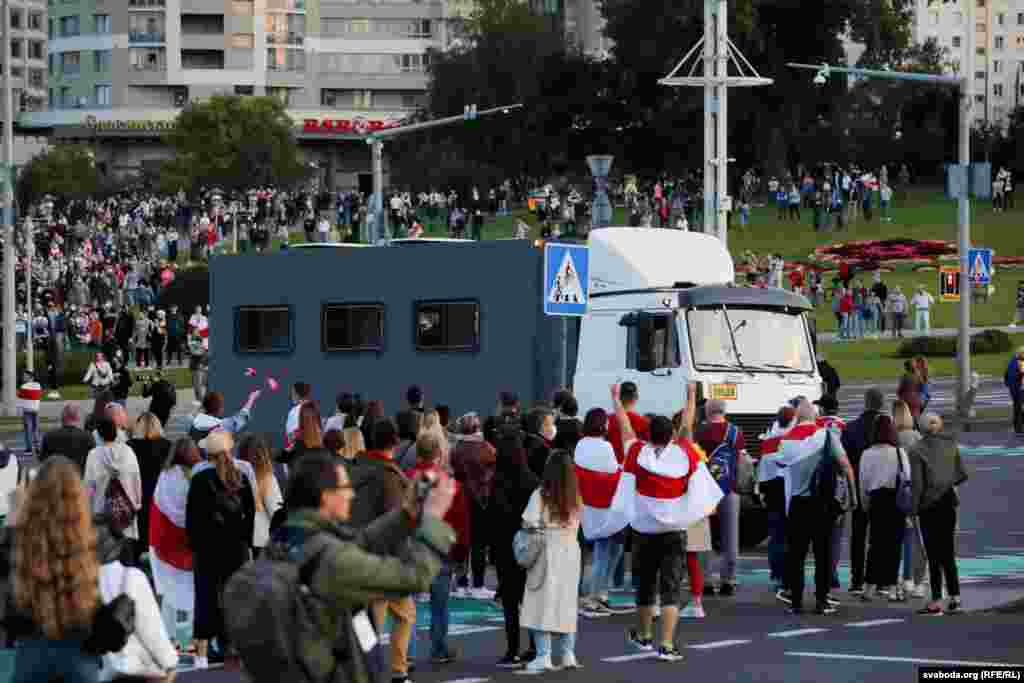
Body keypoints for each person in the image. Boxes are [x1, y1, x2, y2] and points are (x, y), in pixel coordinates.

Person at [261, 452, 456, 683]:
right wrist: (433, 518)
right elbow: (414, 576)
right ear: (326, 496)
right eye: (345, 487)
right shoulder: (331, 560)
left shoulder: (288, 541)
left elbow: (360, 541)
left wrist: (406, 513)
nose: (351, 494)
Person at [613, 383, 717, 661]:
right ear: (671, 435)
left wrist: (616, 401)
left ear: (647, 436)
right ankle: (667, 644)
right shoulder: (684, 453)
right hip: (674, 531)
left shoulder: (636, 453)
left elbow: (625, 429)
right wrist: (691, 397)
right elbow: (687, 426)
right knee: (671, 588)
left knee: (645, 585)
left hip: (644, 531)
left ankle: (644, 635)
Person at [8, 457, 102, 683]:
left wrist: (12, 522)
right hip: (79, 655)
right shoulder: (93, 545)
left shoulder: (21, 545)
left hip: (31, 654)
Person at [347, 418, 417, 682]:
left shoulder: (355, 471)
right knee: (403, 615)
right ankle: (396, 670)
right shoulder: (389, 476)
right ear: (395, 442)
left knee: (368, 621)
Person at [778, 399, 855, 615]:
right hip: (822, 501)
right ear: (815, 416)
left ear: (797, 418)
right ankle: (821, 600)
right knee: (823, 553)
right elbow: (845, 464)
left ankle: (796, 601)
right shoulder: (826, 435)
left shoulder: (786, 441)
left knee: (797, 555)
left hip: (797, 502)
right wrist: (852, 496)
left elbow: (781, 469)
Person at [186, 431, 255, 670]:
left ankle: (201, 657)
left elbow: (192, 520)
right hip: (236, 549)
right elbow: (250, 518)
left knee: (204, 600)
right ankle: (238, 649)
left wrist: (195, 546)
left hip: (207, 550)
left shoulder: (199, 479)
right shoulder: (242, 477)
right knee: (237, 600)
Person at [404, 431, 470, 666]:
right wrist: (461, 554)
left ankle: (406, 653)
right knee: (440, 605)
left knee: (407, 606)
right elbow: (461, 523)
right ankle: (438, 648)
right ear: (439, 453)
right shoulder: (451, 484)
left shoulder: (406, 479)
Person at [519, 450, 583, 672]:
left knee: (541, 602)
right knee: (566, 602)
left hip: (547, 549)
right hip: (571, 551)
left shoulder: (541, 494)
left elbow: (528, 522)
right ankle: (568, 653)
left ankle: (544, 655)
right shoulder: (575, 495)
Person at [908, 414, 968, 615]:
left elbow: (917, 485)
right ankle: (956, 597)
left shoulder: (916, 450)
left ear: (921, 428)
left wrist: (913, 509)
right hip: (948, 501)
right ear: (940, 425)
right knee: (948, 552)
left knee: (933, 555)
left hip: (928, 505)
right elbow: (960, 475)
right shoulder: (951, 445)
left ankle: (935, 600)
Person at [490, 427, 540, 667]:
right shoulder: (532, 480)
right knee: (530, 597)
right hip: (528, 545)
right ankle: (533, 646)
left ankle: (512, 650)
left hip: (503, 546)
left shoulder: (496, 481)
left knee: (510, 602)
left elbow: (491, 516)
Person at [149, 438, 202, 655]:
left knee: (169, 594)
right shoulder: (194, 478)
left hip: (160, 541)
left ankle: (168, 638)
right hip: (184, 543)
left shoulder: (164, 476)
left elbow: (159, 508)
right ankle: (187, 639)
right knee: (190, 593)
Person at [575, 407, 628, 617]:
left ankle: (596, 595)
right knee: (605, 551)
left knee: (599, 551)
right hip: (605, 505)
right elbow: (613, 472)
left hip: (587, 504)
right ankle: (596, 596)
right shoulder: (605, 447)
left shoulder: (580, 445)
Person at [695, 398, 747, 596]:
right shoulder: (735, 432)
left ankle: (706, 580)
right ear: (724, 412)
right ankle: (729, 580)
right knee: (730, 536)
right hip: (729, 488)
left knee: (703, 537)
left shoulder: (699, 432)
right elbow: (742, 459)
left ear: (707, 412)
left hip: (704, 490)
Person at [859, 415, 908, 601]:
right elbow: (907, 477)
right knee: (894, 545)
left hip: (876, 499)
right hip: (895, 499)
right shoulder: (898, 452)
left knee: (875, 544)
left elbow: (863, 482)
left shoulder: (867, 454)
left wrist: (865, 503)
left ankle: (869, 586)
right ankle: (893, 587)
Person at [449, 413, 497, 598]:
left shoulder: (456, 449)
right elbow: (493, 472)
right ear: (478, 428)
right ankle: (477, 585)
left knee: (461, 541)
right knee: (479, 543)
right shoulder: (487, 448)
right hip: (481, 500)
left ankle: (461, 584)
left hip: (460, 498)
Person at [84, 416, 144, 543]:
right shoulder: (128, 451)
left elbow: (89, 486)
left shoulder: (93, 455)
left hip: (102, 511)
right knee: (126, 549)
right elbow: (136, 479)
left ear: (99, 435)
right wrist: (137, 503)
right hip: (126, 509)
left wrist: (88, 508)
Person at [128, 412, 173, 563]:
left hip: (137, 498)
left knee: (138, 543)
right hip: (160, 499)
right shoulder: (167, 446)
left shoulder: (130, 446)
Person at [893, 400, 927, 599]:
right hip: (916, 492)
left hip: (896, 493)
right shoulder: (917, 437)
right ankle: (917, 581)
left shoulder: (892, 438)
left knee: (899, 538)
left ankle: (901, 580)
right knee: (918, 539)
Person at [238, 434, 284, 560]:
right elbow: (276, 513)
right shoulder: (267, 479)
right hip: (261, 543)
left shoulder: (235, 477)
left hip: (241, 541)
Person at [40, 403, 94, 473]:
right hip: (80, 478)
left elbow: (43, 461)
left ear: (62, 417)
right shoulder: (88, 437)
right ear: (77, 418)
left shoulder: (49, 436)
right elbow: (93, 462)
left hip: (57, 479)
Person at [606, 381, 649, 464]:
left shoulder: (607, 420)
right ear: (636, 397)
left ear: (619, 397)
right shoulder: (643, 422)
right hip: (631, 467)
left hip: (612, 467)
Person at [16, 371, 41, 455]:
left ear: (30, 377)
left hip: (27, 410)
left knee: (28, 430)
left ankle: (29, 449)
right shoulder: (38, 385)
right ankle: (37, 448)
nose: (23, 377)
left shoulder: (23, 386)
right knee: (35, 429)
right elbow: (38, 396)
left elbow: (20, 398)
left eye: (25, 376)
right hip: (35, 410)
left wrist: (19, 408)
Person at [1005, 346, 1024, 434]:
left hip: (1014, 389)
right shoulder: (1019, 362)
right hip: (1019, 389)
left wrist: (1009, 385)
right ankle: (1019, 429)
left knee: (1017, 409)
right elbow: (1021, 373)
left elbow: (1005, 376)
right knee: (1019, 409)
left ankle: (1018, 429)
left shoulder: (1011, 362)